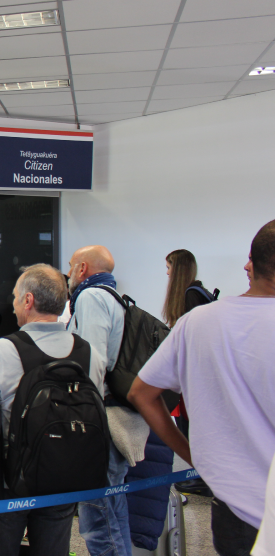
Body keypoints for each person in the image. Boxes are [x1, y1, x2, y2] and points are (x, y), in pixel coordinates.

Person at [129, 220, 275, 556]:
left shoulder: (198, 322)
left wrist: (194, 456)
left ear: (250, 262)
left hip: (234, 505)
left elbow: (142, 393)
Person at [0, 264, 108, 555]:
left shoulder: (4, 349)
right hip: (66, 475)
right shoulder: (91, 353)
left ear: (28, 301)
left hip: (9, 480)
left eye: (16, 297)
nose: (13, 305)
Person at [66, 244, 134, 556]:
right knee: (113, 510)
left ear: (82, 269)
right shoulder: (114, 297)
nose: (67, 274)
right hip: (111, 415)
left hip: (98, 421)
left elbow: (92, 361)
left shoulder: (91, 297)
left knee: (98, 520)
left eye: (70, 266)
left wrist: (82, 419)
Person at [162, 248, 214, 496]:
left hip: (195, 378)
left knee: (191, 428)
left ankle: (203, 478)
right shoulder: (199, 293)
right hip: (197, 376)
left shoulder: (191, 296)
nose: (168, 273)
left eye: (169, 267)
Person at [163, 249, 213, 328]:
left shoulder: (192, 294)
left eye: (168, 268)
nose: (167, 272)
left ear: (178, 270)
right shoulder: (198, 291)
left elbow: (195, 330)